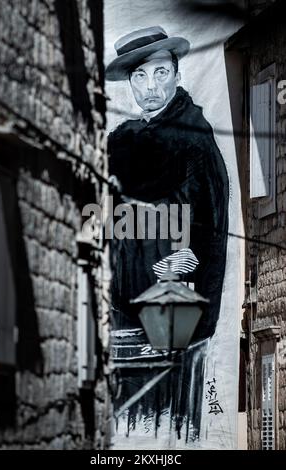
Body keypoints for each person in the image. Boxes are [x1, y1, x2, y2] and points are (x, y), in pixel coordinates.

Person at [106, 26, 229, 342]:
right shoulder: (120, 142)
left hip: (175, 306)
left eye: (160, 73)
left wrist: (193, 253)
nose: (150, 87)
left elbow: (215, 223)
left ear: (176, 74)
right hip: (123, 305)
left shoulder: (195, 139)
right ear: (130, 82)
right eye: (139, 76)